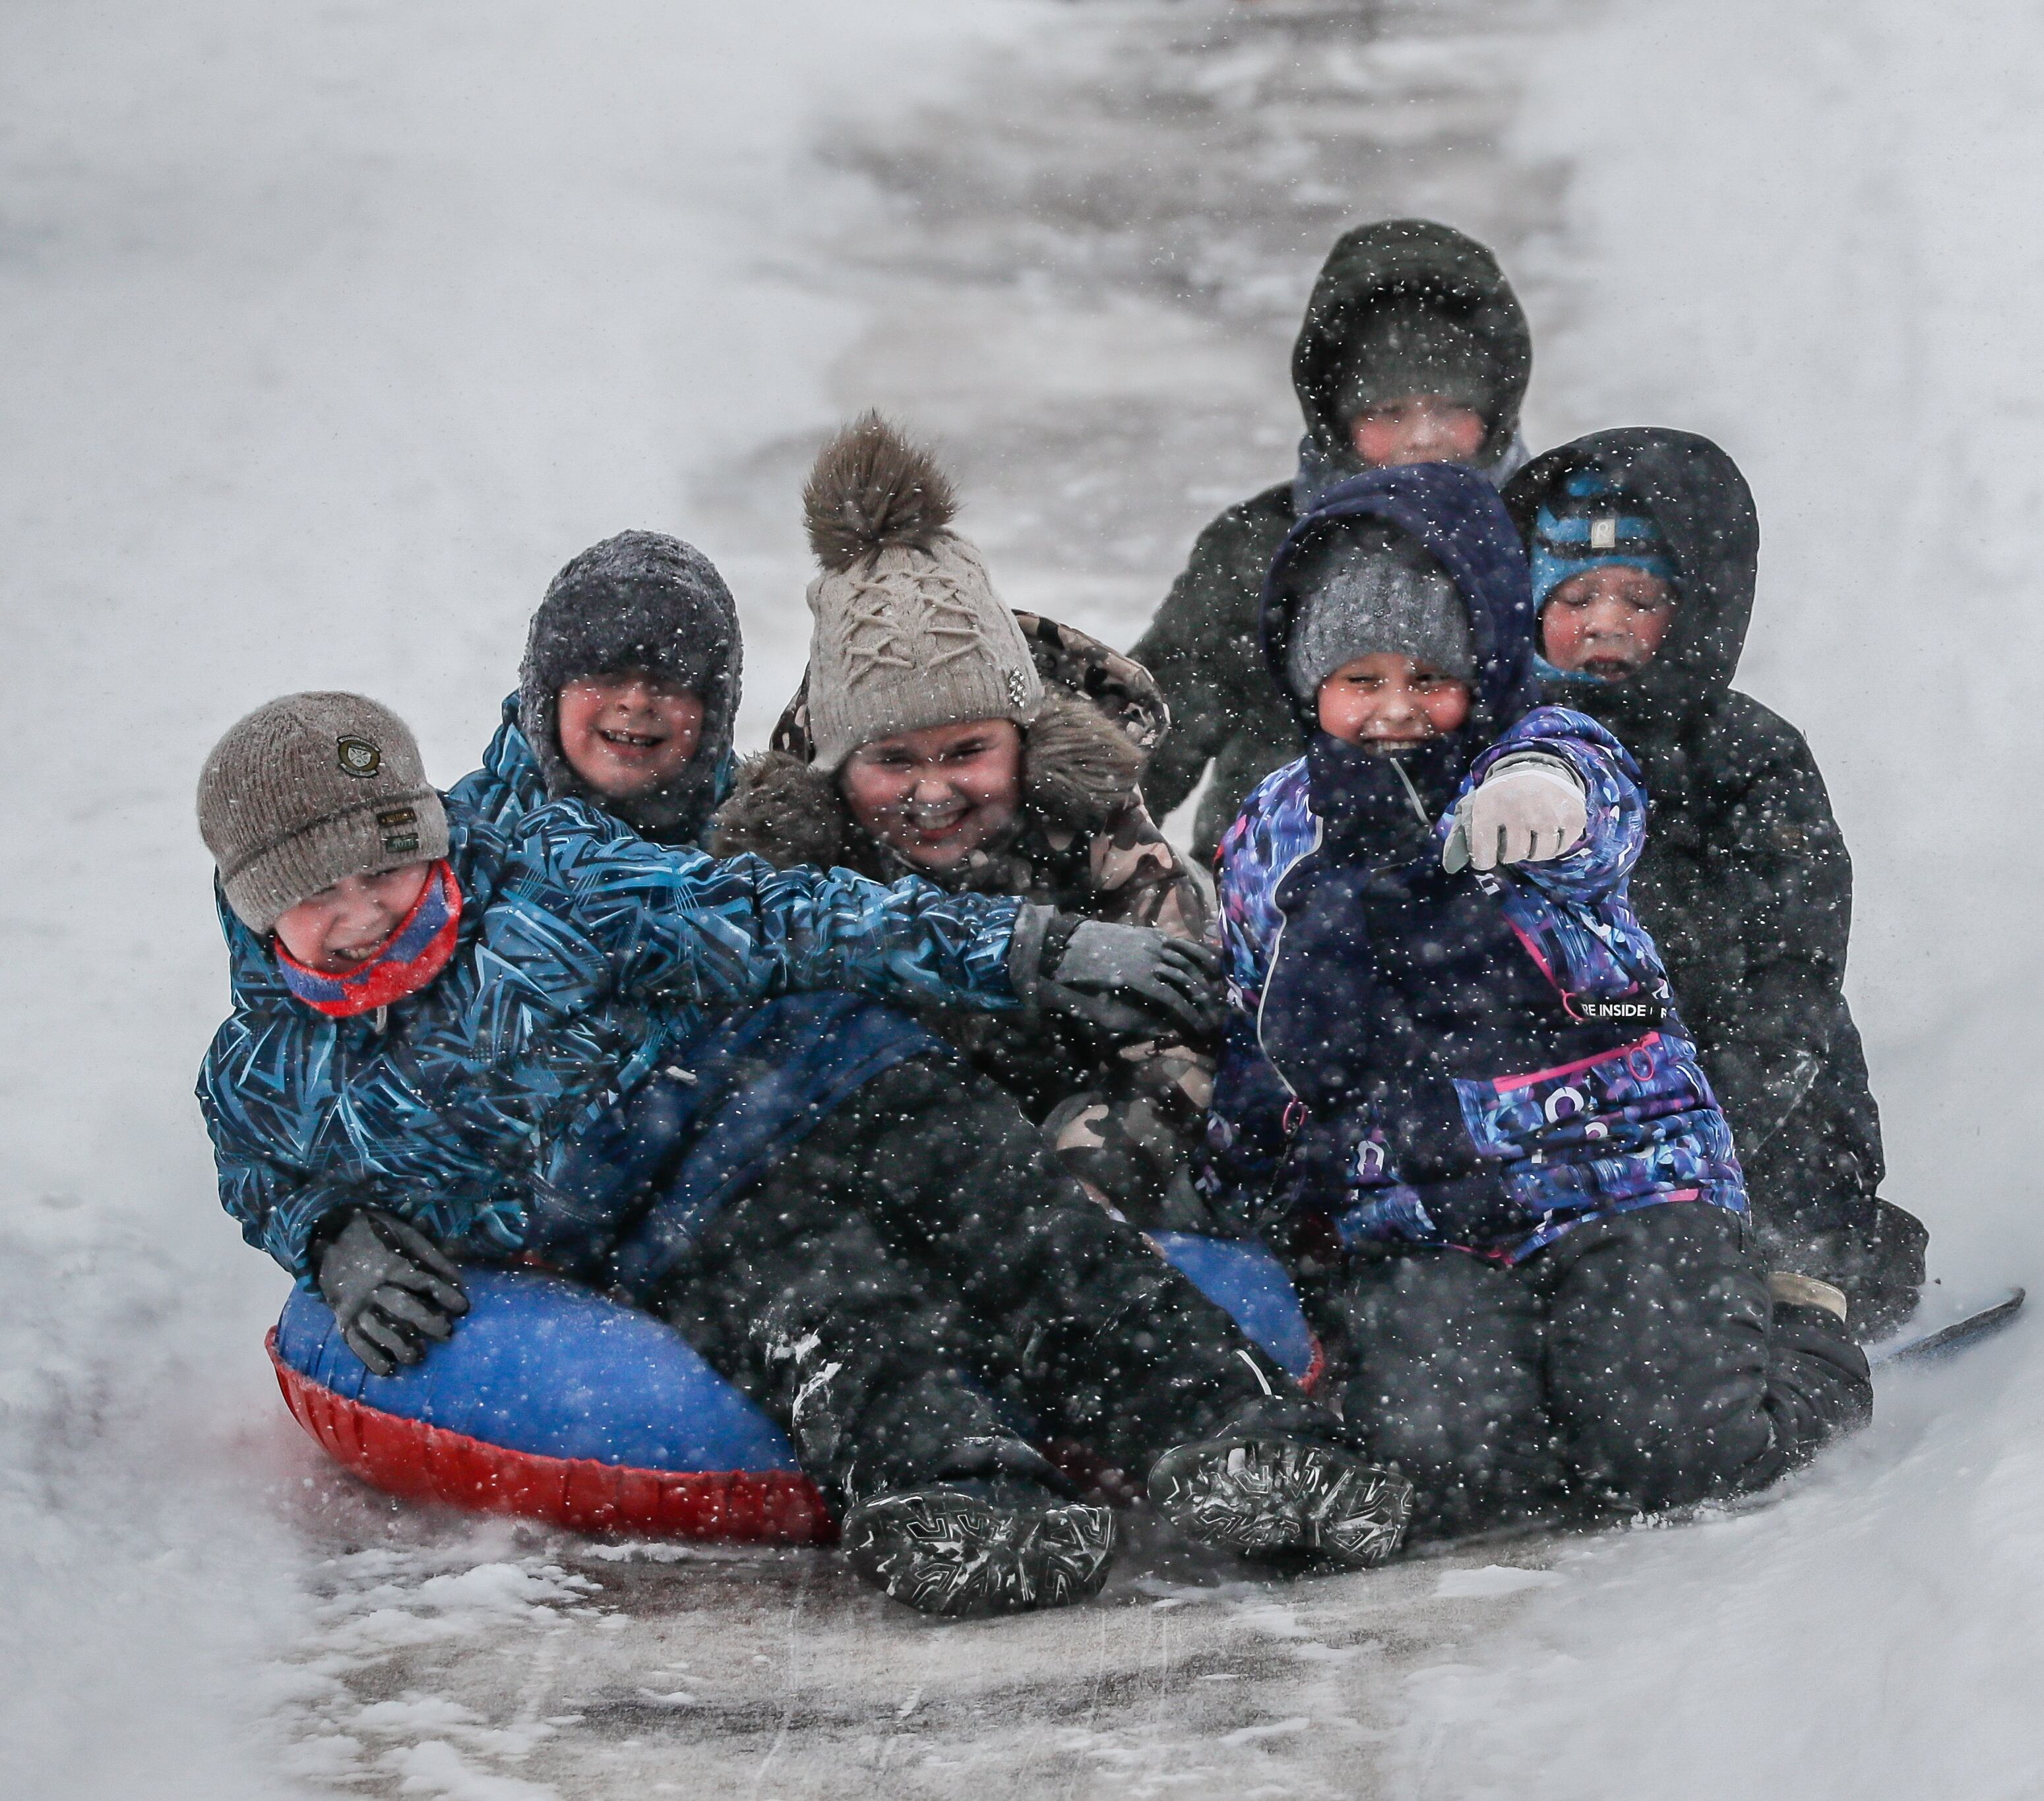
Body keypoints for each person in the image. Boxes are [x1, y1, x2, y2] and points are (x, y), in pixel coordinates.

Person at [195, 693, 1411, 1616]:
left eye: (393, 866)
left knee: (1042, 1249)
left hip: (846, 1081)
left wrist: (1035, 949)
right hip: (689, 1210)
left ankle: (1248, 1444)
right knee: (832, 1320)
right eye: (323, 893)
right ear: (254, 908)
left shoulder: (549, 884)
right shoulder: (265, 1074)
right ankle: (968, 1502)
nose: (369, 913)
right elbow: (269, 1177)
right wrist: (333, 1239)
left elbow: (786, 913)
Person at [1197, 460, 1873, 1538]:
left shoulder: (1540, 752)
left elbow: (1596, 791)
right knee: (1452, 1459)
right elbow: (1261, 1020)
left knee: (1677, 1450)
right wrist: (1250, 1176)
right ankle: (1341, 1459)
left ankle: (1799, 1325)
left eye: (1427, 678)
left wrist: (1543, 790)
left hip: (1617, 1171)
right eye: (1359, 680)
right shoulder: (1277, 824)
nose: (1394, 711)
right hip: (1418, 1210)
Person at [707, 414, 1220, 1230]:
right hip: (874, 1177)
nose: (935, 791)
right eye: (895, 760)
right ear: (837, 770)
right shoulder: (791, 865)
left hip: (1064, 1163)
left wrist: (1072, 1190)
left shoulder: (1099, 834)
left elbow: (1174, 1046)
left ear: (1025, 744)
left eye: (967, 750)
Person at [1504, 430, 1925, 1337]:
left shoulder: (1746, 755)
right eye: (1575, 595)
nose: (1605, 622)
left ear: (1698, 610)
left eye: (1642, 598)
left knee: (1743, 1271)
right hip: (1557, 1095)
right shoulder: (1497, 756)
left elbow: (1794, 973)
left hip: (1743, 1097)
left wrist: (1703, 1129)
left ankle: (1813, 1285)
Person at [1131, 218, 1533, 856]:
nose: (1423, 437)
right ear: (1335, 419)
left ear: (1498, 408)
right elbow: (1144, 745)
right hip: (1274, 905)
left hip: (1501, 915)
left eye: (1452, 408)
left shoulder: (1546, 539)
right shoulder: (1257, 549)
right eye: (1389, 411)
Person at [450, 529, 743, 843]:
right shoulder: (460, 841)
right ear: (547, 697)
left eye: (670, 680)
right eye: (607, 674)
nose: (636, 701)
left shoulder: (766, 850)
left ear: (716, 711)